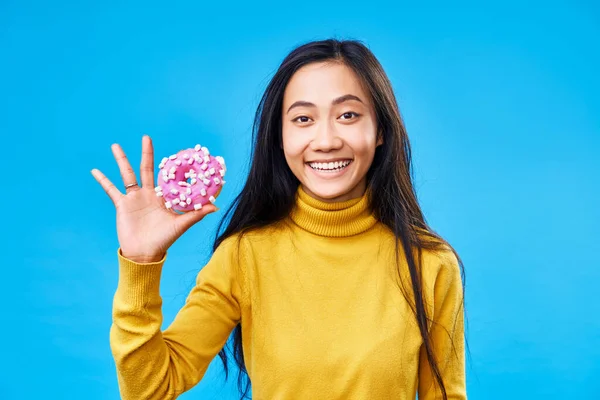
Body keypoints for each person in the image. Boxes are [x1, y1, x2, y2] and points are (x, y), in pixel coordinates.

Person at [92, 38, 467, 400]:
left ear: (380, 129)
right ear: (280, 136)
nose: (325, 140)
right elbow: (149, 389)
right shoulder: (244, 255)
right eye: (303, 118)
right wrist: (140, 265)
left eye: (348, 115)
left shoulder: (430, 264)